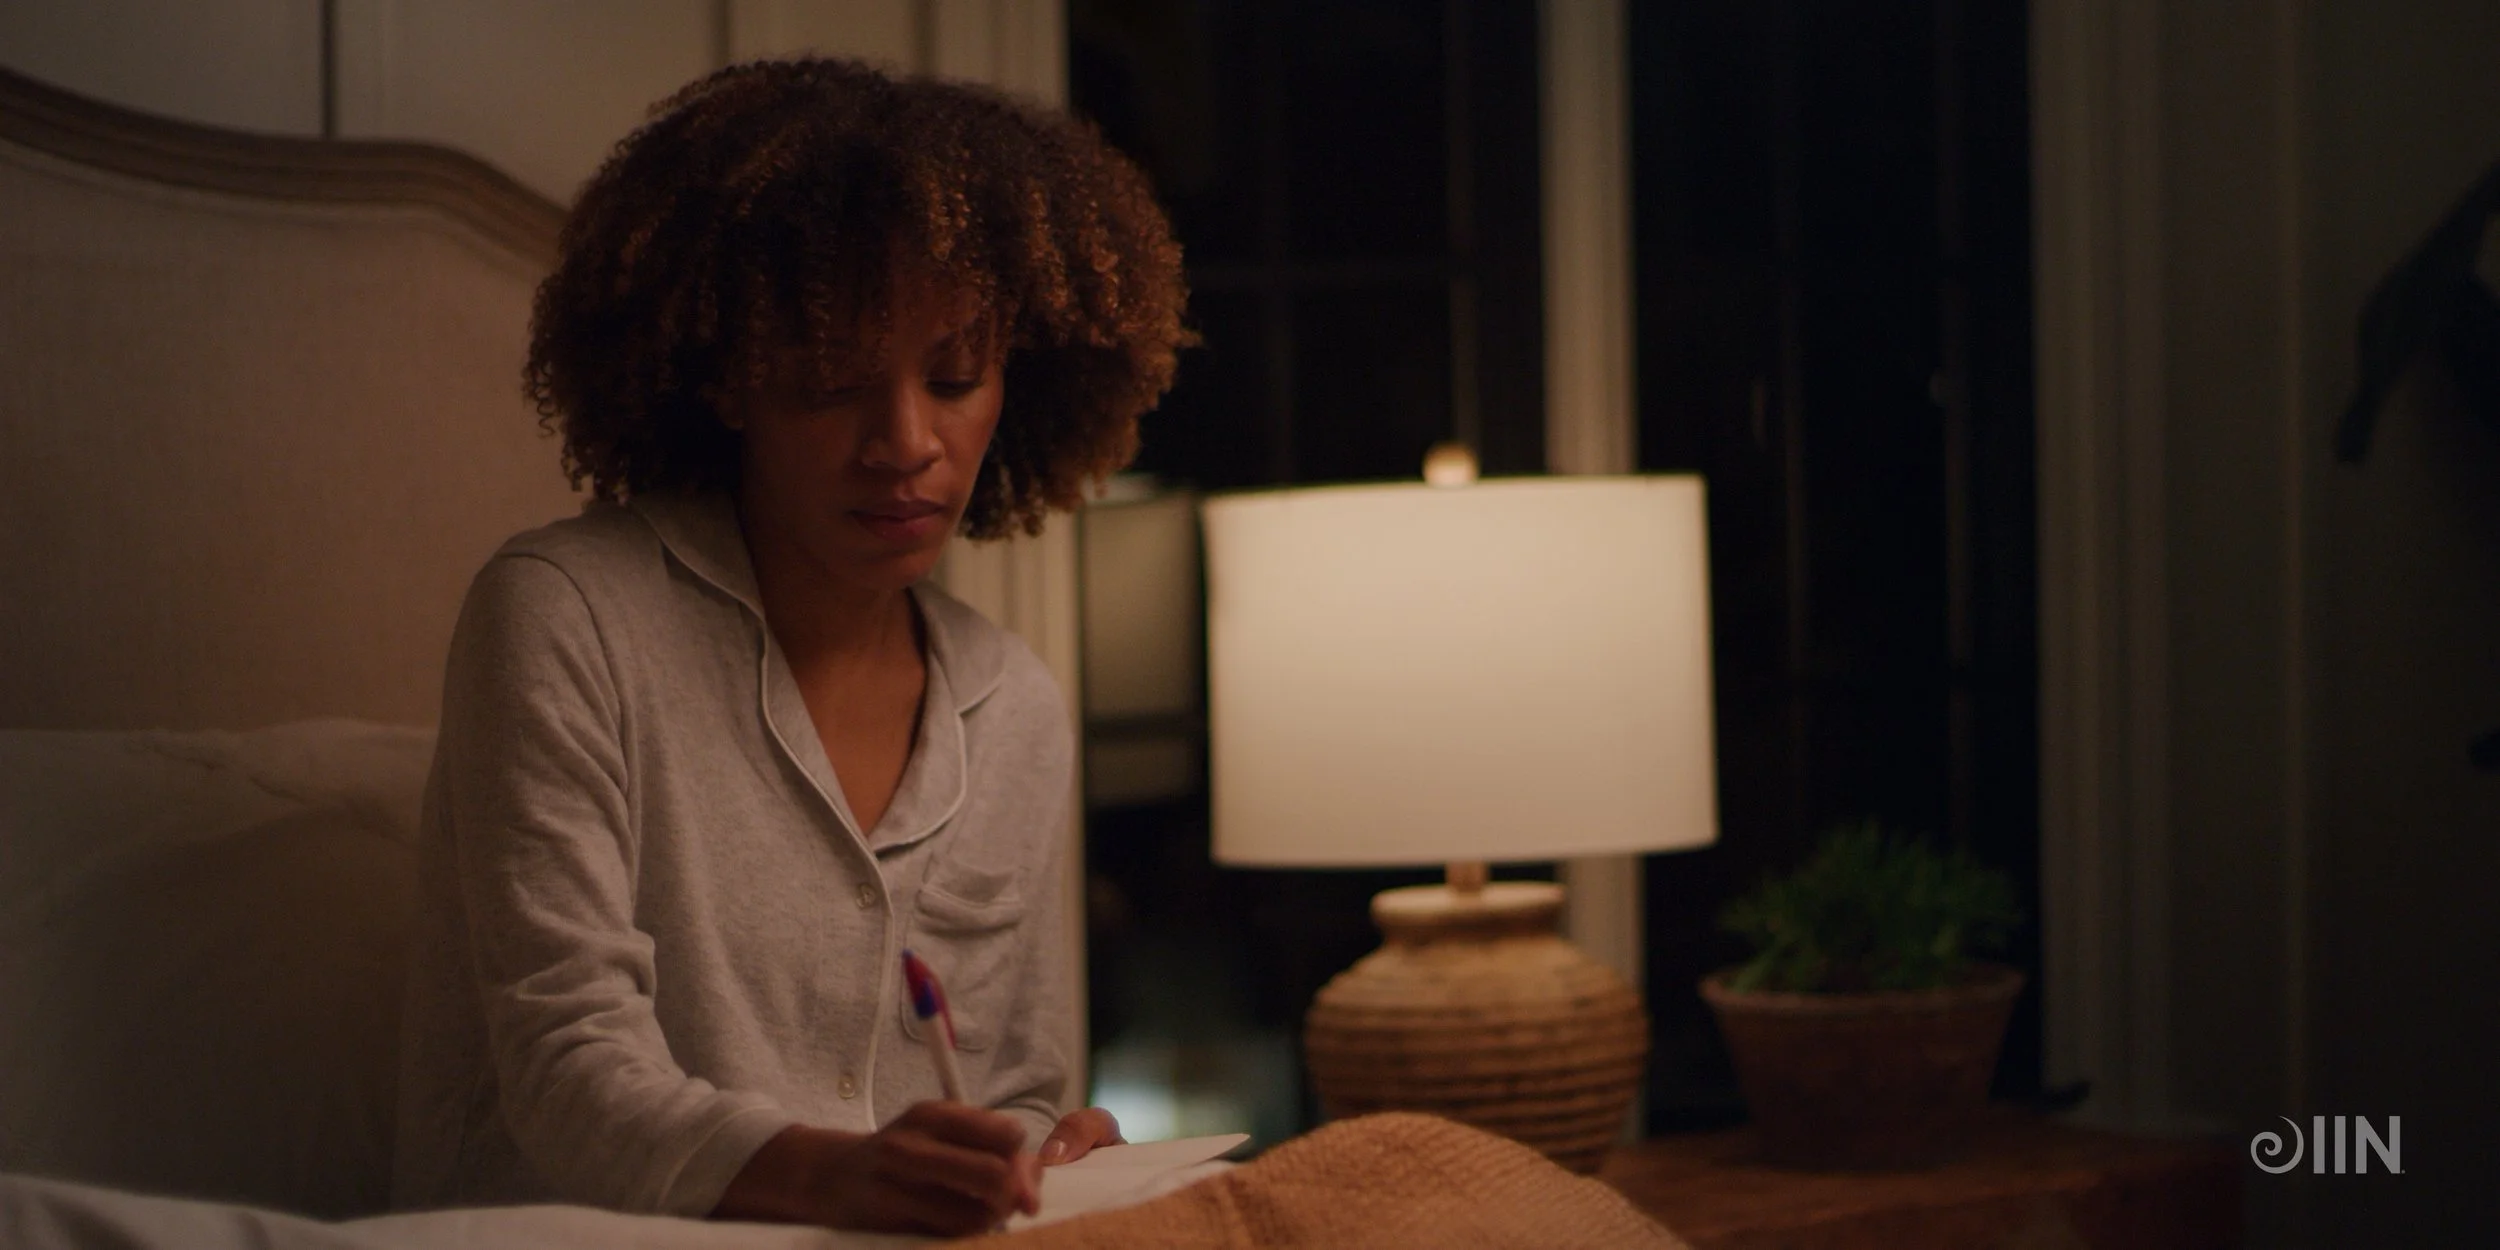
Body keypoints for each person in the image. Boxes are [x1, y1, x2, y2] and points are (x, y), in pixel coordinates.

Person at [390, 57, 1190, 1238]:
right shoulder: (566, 616)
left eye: (955, 376)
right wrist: (838, 1176)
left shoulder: (1012, 704)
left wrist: (1039, 1151)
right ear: (726, 379)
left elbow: (1012, 1088)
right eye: (830, 381)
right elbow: (569, 1074)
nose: (905, 441)